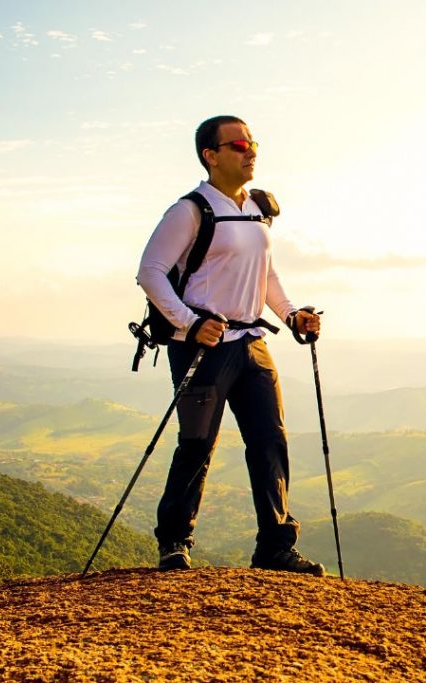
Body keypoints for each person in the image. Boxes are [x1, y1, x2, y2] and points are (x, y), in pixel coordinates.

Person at [136, 115, 325, 576]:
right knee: (197, 444)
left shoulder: (258, 209)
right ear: (211, 155)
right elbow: (150, 271)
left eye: (253, 142)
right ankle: (174, 543)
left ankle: (275, 547)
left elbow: (267, 275)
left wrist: (291, 314)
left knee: (270, 441)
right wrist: (188, 322)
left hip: (252, 342)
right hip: (202, 346)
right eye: (239, 144)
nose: (250, 150)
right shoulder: (190, 210)